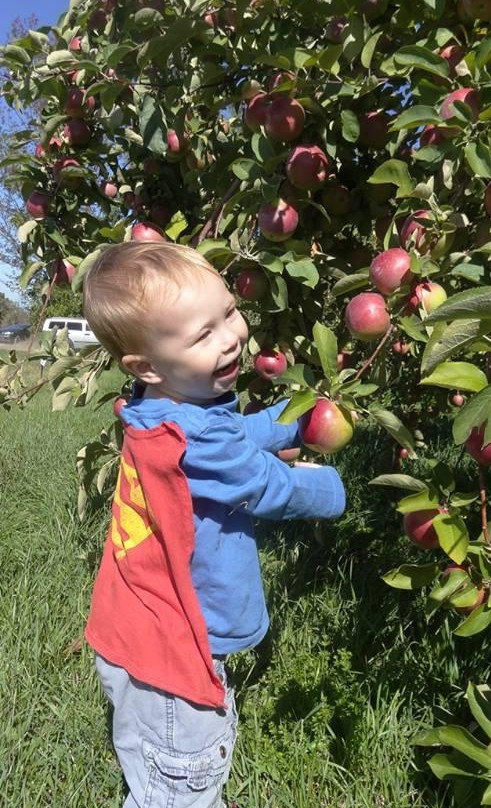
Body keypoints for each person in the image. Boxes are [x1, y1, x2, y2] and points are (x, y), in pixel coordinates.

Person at [82, 241, 346, 808]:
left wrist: (290, 420)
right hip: (172, 655)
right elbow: (260, 484)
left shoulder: (162, 410)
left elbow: (228, 441)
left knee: (155, 779)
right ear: (147, 366)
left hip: (135, 633)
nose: (230, 336)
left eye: (229, 311)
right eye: (202, 334)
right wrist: (332, 488)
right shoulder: (191, 434)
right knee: (183, 783)